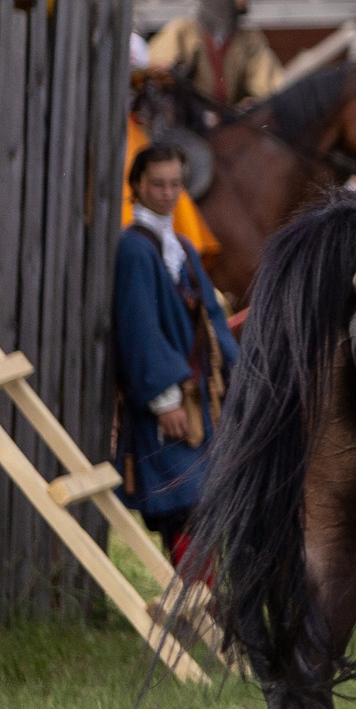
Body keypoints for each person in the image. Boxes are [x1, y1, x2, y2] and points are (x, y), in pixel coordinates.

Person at [111, 143, 238, 559]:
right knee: (185, 503)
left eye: (175, 185)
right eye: (158, 184)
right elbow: (139, 329)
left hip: (199, 399)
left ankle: (202, 609)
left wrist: (237, 375)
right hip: (168, 404)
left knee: (202, 503)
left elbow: (212, 317)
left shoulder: (181, 245)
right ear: (137, 186)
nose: (167, 193)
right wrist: (165, 400)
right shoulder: (134, 248)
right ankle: (194, 608)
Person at [146, 0, 284, 109]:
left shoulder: (249, 39)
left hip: (226, 128)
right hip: (185, 125)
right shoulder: (182, 32)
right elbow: (153, 75)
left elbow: (272, 89)